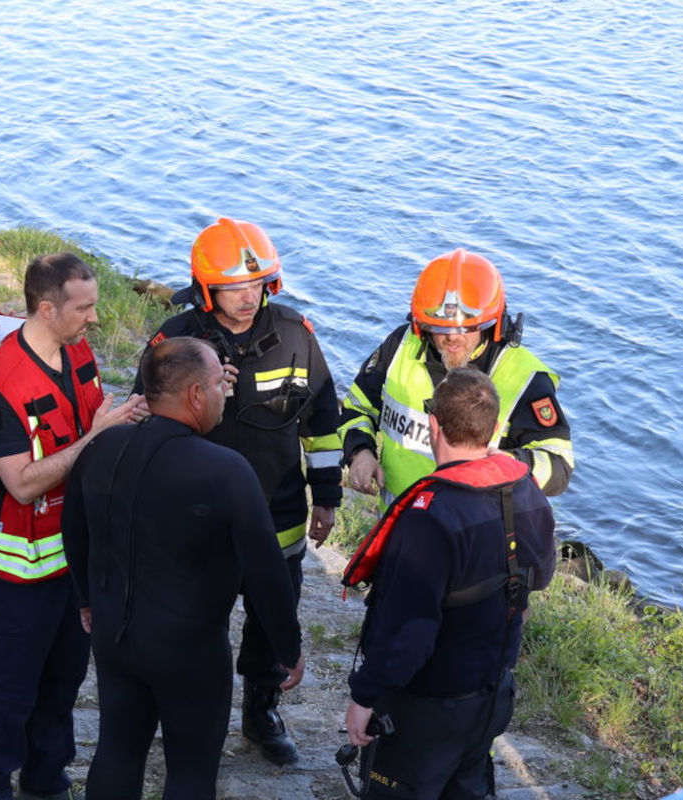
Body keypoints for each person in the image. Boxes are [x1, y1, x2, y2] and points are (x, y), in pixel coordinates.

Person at [133, 217, 343, 765]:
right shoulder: (174, 343)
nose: (248, 299)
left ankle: (262, 710)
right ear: (206, 288)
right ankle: (183, 710)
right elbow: (144, 422)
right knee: (190, 620)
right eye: (234, 288)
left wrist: (326, 496)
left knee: (273, 617)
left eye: (257, 286)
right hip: (195, 516)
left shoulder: (298, 335)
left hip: (279, 511)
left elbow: (322, 422)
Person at [63, 336, 304, 800]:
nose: (224, 394)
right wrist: (286, 646)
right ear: (195, 395)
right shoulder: (225, 470)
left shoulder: (101, 448)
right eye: (219, 383)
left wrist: (87, 599)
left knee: (117, 751)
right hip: (190, 652)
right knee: (191, 772)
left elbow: (74, 526)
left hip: (115, 638)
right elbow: (266, 569)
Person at [0, 253, 141, 800]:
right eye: (85, 307)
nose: (95, 318)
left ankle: (45, 774)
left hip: (73, 552)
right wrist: (97, 438)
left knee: (64, 678)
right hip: (20, 563)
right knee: (11, 687)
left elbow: (93, 414)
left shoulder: (76, 350)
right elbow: (23, 484)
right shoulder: (0, 384)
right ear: (48, 308)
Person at [341, 367, 556, 799]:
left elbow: (407, 632)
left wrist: (365, 698)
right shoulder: (525, 491)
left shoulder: (429, 518)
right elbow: (543, 574)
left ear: (433, 425)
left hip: (426, 708)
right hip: (490, 694)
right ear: (494, 429)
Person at [339, 248, 574, 507]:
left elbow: (559, 465)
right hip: (400, 526)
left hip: (477, 533)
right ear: (421, 324)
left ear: (492, 324)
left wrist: (508, 464)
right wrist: (360, 452)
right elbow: (356, 407)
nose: (451, 338)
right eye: (440, 329)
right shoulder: (400, 346)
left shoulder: (524, 379)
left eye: (465, 329)